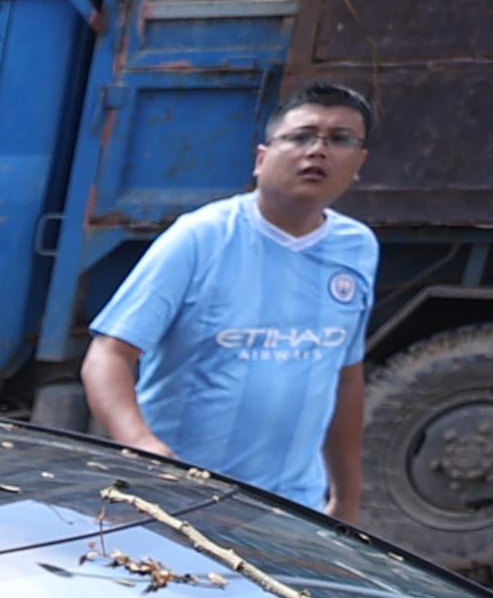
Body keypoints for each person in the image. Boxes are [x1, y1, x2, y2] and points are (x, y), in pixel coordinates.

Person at [80, 82, 378, 523]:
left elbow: (346, 378)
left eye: (340, 139)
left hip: (292, 510)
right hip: (178, 501)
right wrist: (143, 446)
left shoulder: (358, 248)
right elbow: (107, 357)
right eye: (301, 136)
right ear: (261, 159)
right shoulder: (200, 237)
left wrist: (347, 496)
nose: (318, 150)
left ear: (359, 164)